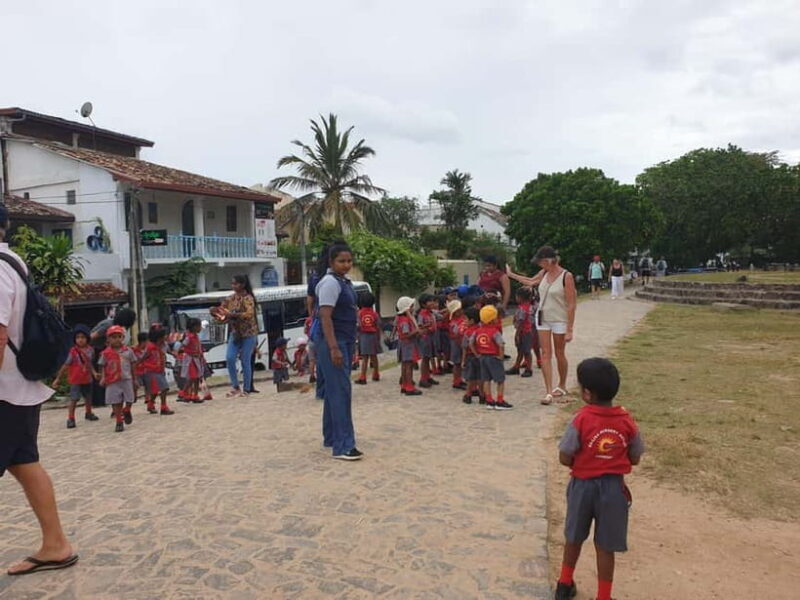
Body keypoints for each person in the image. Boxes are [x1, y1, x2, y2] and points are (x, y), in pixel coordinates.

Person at [1, 204, 78, 576]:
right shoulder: (13, 263)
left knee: (25, 462)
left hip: (3, 391)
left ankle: (56, 544)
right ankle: (55, 545)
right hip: (19, 388)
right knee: (25, 463)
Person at [554, 358, 645, 600]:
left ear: (586, 393)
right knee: (606, 546)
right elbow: (635, 456)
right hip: (614, 489)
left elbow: (565, 455)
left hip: (582, 486)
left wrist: (581, 462)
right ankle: (603, 596)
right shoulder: (626, 421)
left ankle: (564, 584)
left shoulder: (581, 419)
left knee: (573, 536)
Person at [506, 246, 577, 405]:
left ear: (549, 260)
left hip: (559, 318)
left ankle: (562, 384)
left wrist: (570, 329)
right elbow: (531, 281)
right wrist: (511, 275)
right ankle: (548, 391)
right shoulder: (544, 273)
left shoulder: (567, 276)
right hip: (543, 317)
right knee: (545, 353)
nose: (539, 265)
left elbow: (571, 304)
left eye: (541, 262)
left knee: (559, 353)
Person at [313, 241, 363, 461]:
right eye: (341, 261)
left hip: (344, 339)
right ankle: (343, 445)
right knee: (341, 391)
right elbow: (325, 316)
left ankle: (332, 436)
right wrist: (334, 348)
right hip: (334, 341)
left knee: (336, 390)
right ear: (332, 262)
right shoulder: (330, 283)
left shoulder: (344, 282)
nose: (346, 265)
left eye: (349, 261)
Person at [216, 274, 258, 398]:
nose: (233, 286)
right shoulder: (230, 299)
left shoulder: (248, 298)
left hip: (248, 333)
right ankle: (235, 386)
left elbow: (249, 314)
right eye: (233, 284)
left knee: (245, 360)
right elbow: (221, 311)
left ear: (242, 285)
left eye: (236, 284)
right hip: (235, 333)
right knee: (229, 358)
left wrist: (233, 315)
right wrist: (217, 313)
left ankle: (246, 388)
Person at [51, 325, 100, 428]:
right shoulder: (73, 351)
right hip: (76, 379)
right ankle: (71, 418)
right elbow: (66, 364)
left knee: (88, 397)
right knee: (74, 399)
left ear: (87, 338)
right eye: (78, 337)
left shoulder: (91, 350)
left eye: (83, 337)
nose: (80, 340)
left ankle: (88, 412)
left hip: (87, 378)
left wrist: (94, 373)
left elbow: (89, 363)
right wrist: (58, 378)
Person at [471, 305, 512, 410]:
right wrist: (501, 356)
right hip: (494, 357)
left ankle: (489, 400)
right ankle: (500, 400)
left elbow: (471, 342)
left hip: (482, 357)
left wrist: (476, 354)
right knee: (500, 380)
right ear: (493, 319)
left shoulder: (477, 331)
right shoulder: (495, 332)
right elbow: (501, 344)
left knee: (486, 379)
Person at [98, 325, 137, 432]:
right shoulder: (105, 353)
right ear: (108, 339)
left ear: (123, 338)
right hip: (112, 380)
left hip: (126, 379)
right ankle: (119, 421)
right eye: (113, 337)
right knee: (116, 401)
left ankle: (127, 409)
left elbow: (133, 364)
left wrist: (135, 378)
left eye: (119, 336)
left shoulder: (128, 351)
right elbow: (102, 365)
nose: (117, 339)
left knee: (130, 398)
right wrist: (103, 377)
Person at [141, 326, 175, 415]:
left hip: (159, 370)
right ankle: (163, 407)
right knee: (164, 388)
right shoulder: (150, 347)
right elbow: (142, 357)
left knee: (156, 391)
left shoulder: (163, 345)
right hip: (151, 371)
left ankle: (151, 404)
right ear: (158, 337)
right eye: (164, 335)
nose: (166, 337)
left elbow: (167, 353)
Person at [506, 287, 535, 378]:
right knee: (521, 350)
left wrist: (517, 334)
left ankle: (529, 369)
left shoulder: (523, 309)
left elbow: (521, 322)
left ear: (520, 297)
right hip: (527, 331)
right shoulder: (529, 306)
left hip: (524, 332)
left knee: (526, 351)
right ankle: (516, 366)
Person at [396, 296, 422, 396]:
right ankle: (409, 386)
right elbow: (405, 335)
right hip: (407, 346)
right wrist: (416, 331)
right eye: (411, 307)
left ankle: (404, 385)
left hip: (406, 346)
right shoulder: (404, 321)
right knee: (408, 366)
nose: (413, 309)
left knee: (405, 365)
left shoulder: (402, 318)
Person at [355, 291, 382, 385]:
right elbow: (378, 326)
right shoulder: (374, 314)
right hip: (373, 336)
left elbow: (358, 326)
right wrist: (378, 338)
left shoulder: (359, 313)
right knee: (374, 356)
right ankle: (376, 373)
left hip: (364, 336)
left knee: (365, 358)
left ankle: (363, 376)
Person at [460, 306, 483, 405]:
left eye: (466, 319)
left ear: (472, 320)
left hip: (470, 357)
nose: (464, 321)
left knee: (470, 378)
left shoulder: (468, 332)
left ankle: (468, 395)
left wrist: (463, 360)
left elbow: (465, 347)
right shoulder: (481, 330)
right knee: (480, 377)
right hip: (481, 356)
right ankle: (482, 396)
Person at [416, 293, 439, 388]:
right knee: (425, 359)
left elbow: (440, 317)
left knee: (429, 357)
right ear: (424, 304)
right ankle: (423, 379)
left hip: (431, 337)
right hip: (425, 338)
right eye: (430, 301)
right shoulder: (422, 314)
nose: (433, 303)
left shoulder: (431, 313)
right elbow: (419, 326)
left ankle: (428, 376)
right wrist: (427, 325)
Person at [180, 318, 205, 403]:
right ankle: (184, 392)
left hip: (197, 359)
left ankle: (195, 395)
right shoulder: (189, 337)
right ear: (194, 327)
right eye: (199, 326)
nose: (200, 328)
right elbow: (182, 345)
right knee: (192, 377)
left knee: (197, 377)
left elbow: (198, 347)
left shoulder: (196, 336)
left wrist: (201, 355)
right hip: (190, 360)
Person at [446, 300, 466, 390]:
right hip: (456, 344)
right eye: (458, 310)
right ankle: (456, 381)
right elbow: (455, 334)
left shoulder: (463, 318)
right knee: (457, 363)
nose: (461, 311)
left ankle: (460, 379)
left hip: (461, 343)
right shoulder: (453, 323)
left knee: (460, 363)